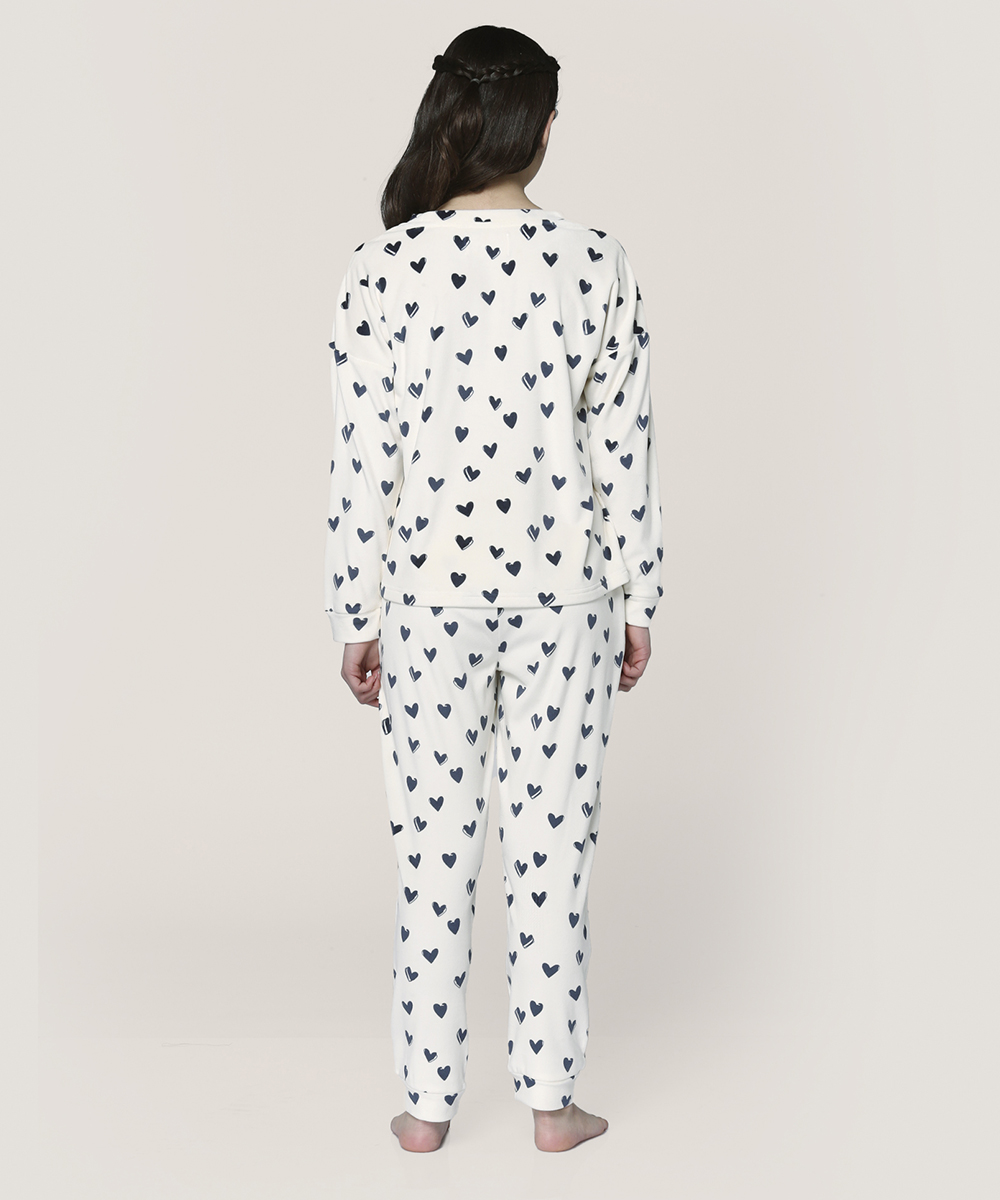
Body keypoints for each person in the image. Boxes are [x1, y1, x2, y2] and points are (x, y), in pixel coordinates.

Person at [324, 24, 663, 1153]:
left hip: (428, 603)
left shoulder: (381, 269)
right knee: (551, 857)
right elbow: (625, 449)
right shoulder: (595, 261)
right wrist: (639, 599)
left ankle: (427, 1112)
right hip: (568, 602)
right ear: (542, 129)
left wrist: (355, 614)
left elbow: (362, 460)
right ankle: (550, 1108)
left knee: (432, 859)